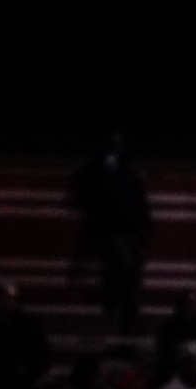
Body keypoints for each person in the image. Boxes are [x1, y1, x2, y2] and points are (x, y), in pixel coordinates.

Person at [71, 134, 150, 332]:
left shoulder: (128, 172)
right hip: (110, 230)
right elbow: (85, 197)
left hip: (130, 231)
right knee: (123, 269)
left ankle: (123, 314)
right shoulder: (94, 172)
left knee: (128, 273)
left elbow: (139, 200)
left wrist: (146, 226)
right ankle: (118, 311)